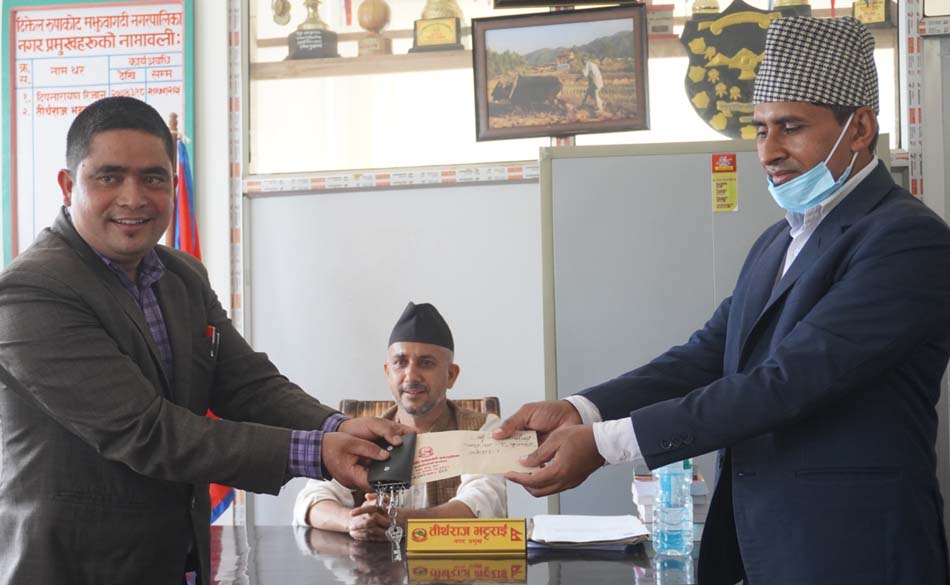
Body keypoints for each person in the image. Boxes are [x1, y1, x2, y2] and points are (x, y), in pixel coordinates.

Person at [495, 17, 950, 585]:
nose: (769, 151)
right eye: (760, 130)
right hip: (768, 545)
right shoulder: (778, 240)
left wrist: (606, 444)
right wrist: (584, 410)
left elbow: (786, 383)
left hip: (856, 550)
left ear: (859, 129)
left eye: (791, 127)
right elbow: (708, 355)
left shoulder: (906, 240)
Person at [0, 96, 410, 585]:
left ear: (174, 185)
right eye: (109, 177)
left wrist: (338, 426)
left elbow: (248, 384)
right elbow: (147, 430)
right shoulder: (32, 291)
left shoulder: (182, 275)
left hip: (173, 558)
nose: (133, 197)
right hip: (73, 567)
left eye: (153, 178)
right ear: (69, 186)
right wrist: (319, 451)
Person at [293, 302, 507, 541]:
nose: (411, 376)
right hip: (371, 563)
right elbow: (311, 501)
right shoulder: (359, 432)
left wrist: (401, 521)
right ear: (388, 372)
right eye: (400, 362)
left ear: (451, 375)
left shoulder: (482, 429)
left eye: (426, 363)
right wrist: (352, 521)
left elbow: (485, 503)